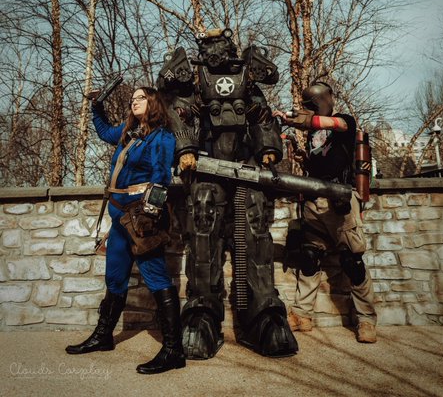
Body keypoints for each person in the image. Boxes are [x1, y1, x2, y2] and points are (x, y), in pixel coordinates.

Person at [157, 29, 297, 359]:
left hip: (246, 167)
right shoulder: (194, 83)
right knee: (203, 222)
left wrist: (268, 148)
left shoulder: (245, 80)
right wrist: (185, 148)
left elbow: (261, 115)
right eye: (209, 45)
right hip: (208, 167)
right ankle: (202, 312)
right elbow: (180, 113)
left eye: (220, 44)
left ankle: (263, 313)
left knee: (255, 224)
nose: (215, 50)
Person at [65, 86, 186, 374]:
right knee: (115, 278)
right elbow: (104, 132)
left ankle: (173, 350)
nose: (134, 102)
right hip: (119, 219)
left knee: (156, 277)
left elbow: (161, 177)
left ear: (153, 102)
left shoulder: (161, 137)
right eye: (132, 99)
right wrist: (97, 106)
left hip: (139, 219)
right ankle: (103, 336)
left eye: (140, 97)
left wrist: (149, 215)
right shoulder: (128, 133)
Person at [273, 81, 377, 343]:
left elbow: (333, 124)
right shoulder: (312, 135)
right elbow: (321, 162)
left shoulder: (344, 121)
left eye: (311, 104)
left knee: (352, 262)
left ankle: (366, 319)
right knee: (309, 257)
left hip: (340, 200)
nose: (309, 109)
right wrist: (303, 157)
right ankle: (301, 315)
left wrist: (297, 119)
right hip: (314, 200)